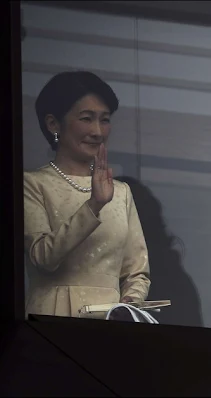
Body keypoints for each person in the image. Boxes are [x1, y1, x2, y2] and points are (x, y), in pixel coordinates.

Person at [23, 71, 150, 318]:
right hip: (53, 316)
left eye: (104, 120)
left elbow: (137, 271)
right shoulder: (33, 184)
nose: (98, 132)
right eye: (86, 118)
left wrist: (129, 304)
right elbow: (43, 258)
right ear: (53, 124)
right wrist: (94, 205)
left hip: (110, 323)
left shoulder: (121, 192)